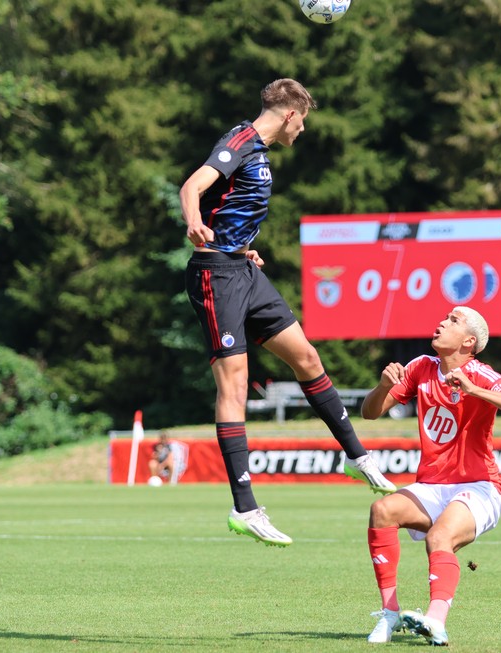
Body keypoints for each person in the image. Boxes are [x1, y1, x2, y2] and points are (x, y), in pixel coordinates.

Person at [180, 78, 395, 548]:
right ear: (291, 115)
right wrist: (194, 221)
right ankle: (245, 508)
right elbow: (194, 185)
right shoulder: (239, 141)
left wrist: (243, 247)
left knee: (308, 359)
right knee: (234, 384)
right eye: (303, 123)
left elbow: (232, 208)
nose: (302, 132)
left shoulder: (259, 153)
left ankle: (357, 458)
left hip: (242, 268)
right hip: (215, 276)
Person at [358, 307, 501, 645]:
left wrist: (474, 390)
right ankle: (389, 614)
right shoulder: (420, 368)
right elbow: (370, 413)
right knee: (382, 510)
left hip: (479, 487)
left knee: (439, 538)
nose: (441, 322)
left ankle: (435, 622)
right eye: (444, 317)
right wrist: (382, 387)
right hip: (431, 487)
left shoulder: (480, 374)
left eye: (453, 321)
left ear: (469, 341)